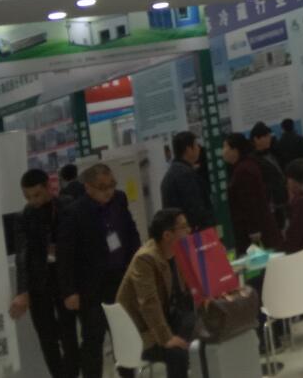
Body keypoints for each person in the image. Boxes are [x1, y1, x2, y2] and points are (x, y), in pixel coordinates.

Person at [57, 163, 141, 378]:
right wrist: (69, 291)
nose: (109, 191)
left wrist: (136, 265)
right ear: (88, 187)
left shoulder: (119, 200)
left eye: (112, 184)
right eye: (102, 187)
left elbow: (131, 233)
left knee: (123, 334)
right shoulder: (74, 213)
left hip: (120, 279)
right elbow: (65, 256)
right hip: (90, 287)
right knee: (93, 338)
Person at [10, 169, 78, 378]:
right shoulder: (24, 217)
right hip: (39, 285)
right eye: (28, 197)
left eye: (37, 195)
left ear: (49, 187)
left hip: (65, 282)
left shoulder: (67, 206)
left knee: (69, 335)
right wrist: (23, 291)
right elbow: (22, 255)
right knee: (47, 339)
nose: (33, 201)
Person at [115, 209, 195, 378]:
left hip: (167, 320)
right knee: (178, 354)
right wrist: (166, 338)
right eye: (183, 227)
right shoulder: (145, 259)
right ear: (167, 235)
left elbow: (188, 288)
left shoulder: (176, 253)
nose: (189, 231)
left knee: (205, 326)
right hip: (141, 333)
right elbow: (148, 303)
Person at [222, 133, 283, 250]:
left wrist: (254, 230)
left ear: (235, 150)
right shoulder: (244, 166)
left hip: (256, 231)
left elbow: (251, 202)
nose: (223, 151)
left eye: (225, 147)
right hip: (257, 227)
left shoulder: (243, 170)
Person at [160, 131, 215, 232]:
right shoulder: (185, 175)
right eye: (196, 145)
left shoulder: (171, 174)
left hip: (178, 233)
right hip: (193, 235)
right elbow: (195, 210)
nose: (199, 148)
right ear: (188, 149)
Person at [251, 121, 289, 228]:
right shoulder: (253, 161)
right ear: (256, 139)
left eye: (269, 136)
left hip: (281, 202)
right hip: (270, 206)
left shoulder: (272, 154)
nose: (269, 138)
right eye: (266, 136)